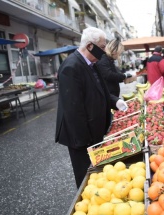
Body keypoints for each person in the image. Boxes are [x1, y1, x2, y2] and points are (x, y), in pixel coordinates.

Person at [55, 27, 128, 188]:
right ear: (89, 46)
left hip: (94, 132)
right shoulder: (71, 67)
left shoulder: (92, 64)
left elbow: (101, 90)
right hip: (81, 137)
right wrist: (87, 143)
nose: (104, 51)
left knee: (97, 175)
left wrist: (115, 101)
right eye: (102, 47)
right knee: (86, 177)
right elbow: (73, 110)